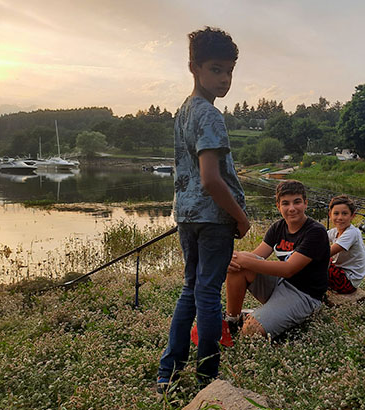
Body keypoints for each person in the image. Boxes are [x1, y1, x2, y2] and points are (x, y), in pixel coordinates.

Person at [157, 27, 250, 393]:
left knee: (191, 289)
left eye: (229, 71)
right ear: (193, 67)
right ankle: (207, 377)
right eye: (215, 69)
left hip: (186, 215)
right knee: (208, 294)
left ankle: (168, 370)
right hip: (213, 218)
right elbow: (212, 179)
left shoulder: (183, 112)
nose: (224, 79)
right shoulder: (209, 115)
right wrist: (241, 218)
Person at [224, 180, 329, 339]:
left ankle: (255, 317)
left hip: (305, 295)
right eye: (285, 203)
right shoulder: (278, 227)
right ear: (278, 206)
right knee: (240, 263)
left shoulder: (316, 232)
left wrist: (242, 259)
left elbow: (288, 269)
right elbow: (257, 256)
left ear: (306, 203)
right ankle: (232, 320)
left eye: (297, 202)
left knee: (250, 330)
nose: (292, 208)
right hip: (281, 284)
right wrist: (233, 260)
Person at [326, 195, 365, 294]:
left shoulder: (352, 233)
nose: (340, 217)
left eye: (344, 214)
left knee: (315, 261)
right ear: (330, 215)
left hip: (348, 281)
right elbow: (317, 239)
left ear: (352, 216)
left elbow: (326, 253)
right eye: (336, 213)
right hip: (341, 270)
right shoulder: (334, 231)